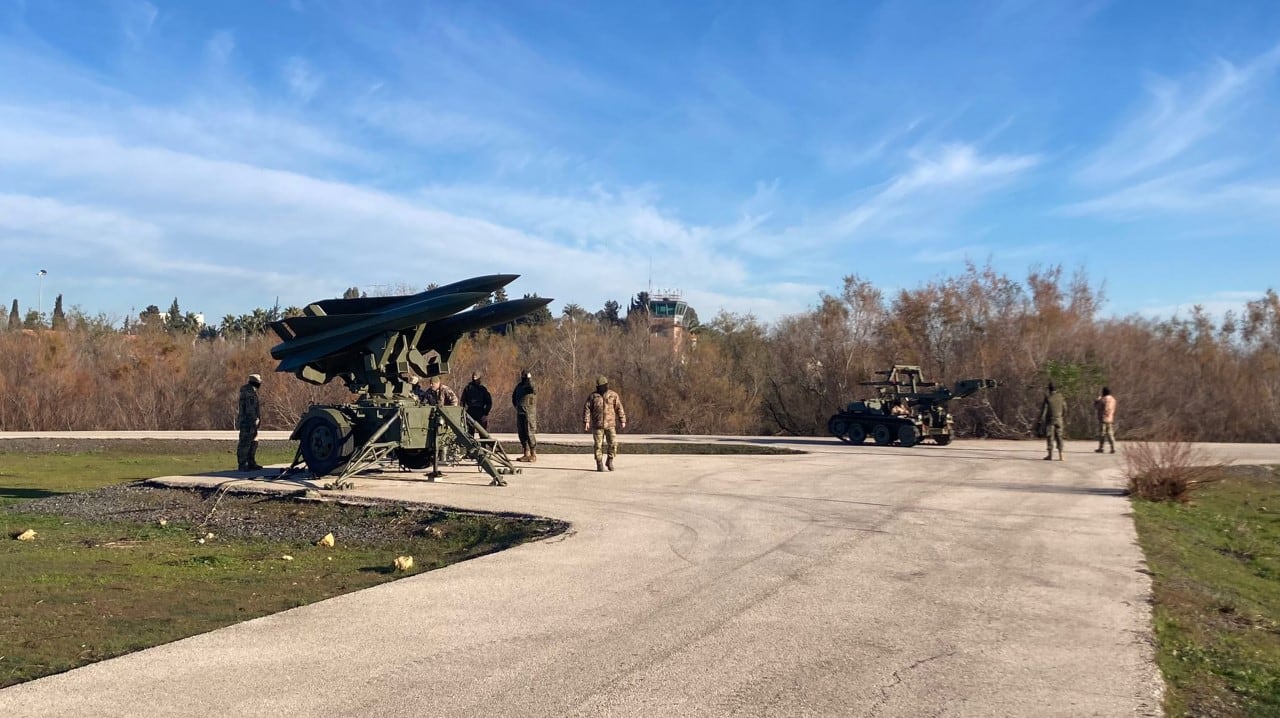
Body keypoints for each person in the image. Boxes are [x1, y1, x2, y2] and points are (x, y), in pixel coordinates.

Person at [583, 376, 627, 472]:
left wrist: (622, 420)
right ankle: (599, 463)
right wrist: (587, 421)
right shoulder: (593, 396)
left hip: (610, 425)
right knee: (598, 445)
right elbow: (587, 408)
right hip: (597, 425)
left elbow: (619, 408)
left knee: (613, 443)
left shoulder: (613, 395)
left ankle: (610, 460)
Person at [236, 373, 263, 472]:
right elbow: (250, 409)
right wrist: (254, 421)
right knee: (245, 443)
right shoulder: (248, 393)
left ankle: (251, 462)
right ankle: (243, 464)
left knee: (253, 442)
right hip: (248, 423)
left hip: (252, 423)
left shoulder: (252, 392)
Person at [512, 369, 537, 462]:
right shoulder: (519, 386)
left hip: (529, 414)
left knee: (529, 433)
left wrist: (529, 379)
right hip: (520, 412)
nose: (523, 377)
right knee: (522, 434)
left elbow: (534, 389)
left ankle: (533, 454)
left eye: (525, 376)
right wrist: (517, 406)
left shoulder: (530, 386)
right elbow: (514, 397)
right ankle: (526, 453)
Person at [1039, 382, 1067, 461]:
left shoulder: (1048, 398)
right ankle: (1061, 455)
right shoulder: (1061, 397)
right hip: (1059, 419)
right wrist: (1062, 416)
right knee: (1059, 436)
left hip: (1050, 420)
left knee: (1050, 437)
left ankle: (1050, 455)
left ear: (1049, 389)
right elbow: (1065, 408)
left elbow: (1044, 410)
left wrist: (1041, 420)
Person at [1094, 386, 1117, 454]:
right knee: (1110, 433)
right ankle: (1113, 447)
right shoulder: (1113, 399)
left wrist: (1096, 401)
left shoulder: (1103, 399)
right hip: (1110, 418)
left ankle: (1101, 447)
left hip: (1103, 418)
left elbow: (1097, 407)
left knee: (1102, 433)